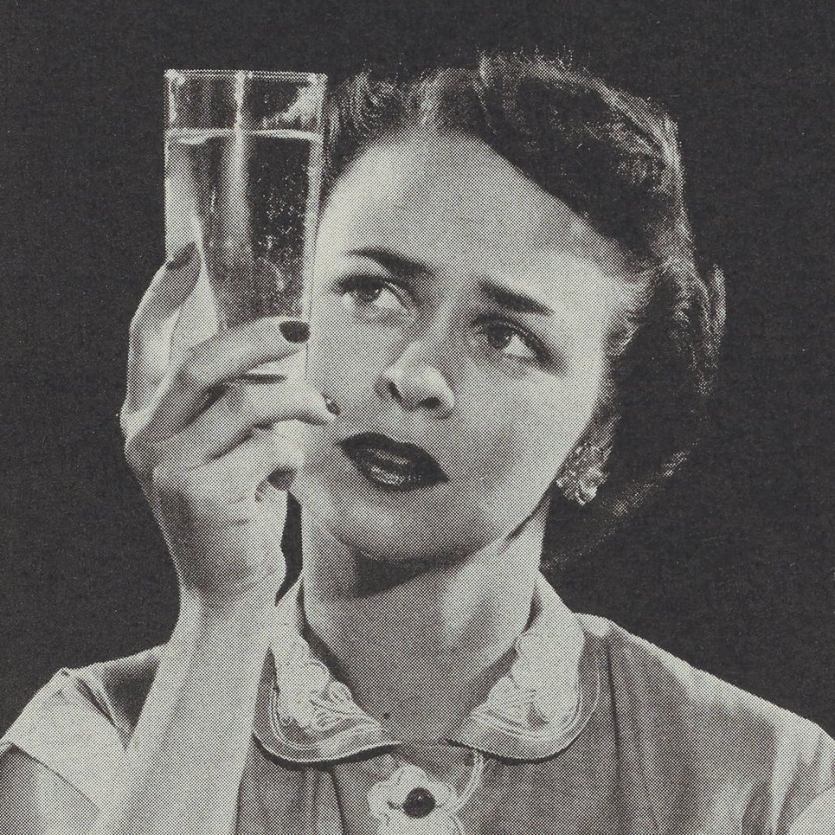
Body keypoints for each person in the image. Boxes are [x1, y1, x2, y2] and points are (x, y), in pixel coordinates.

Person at [1, 52, 833, 835]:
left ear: (600, 435)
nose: (415, 373)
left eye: (506, 336)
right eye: (373, 291)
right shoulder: (87, 749)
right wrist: (223, 609)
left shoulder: (773, 785)